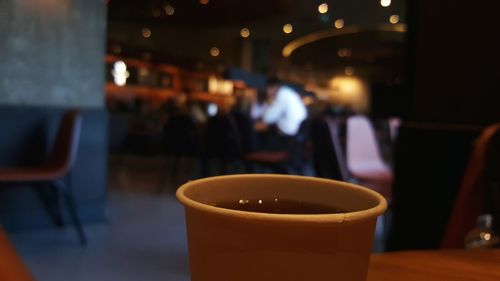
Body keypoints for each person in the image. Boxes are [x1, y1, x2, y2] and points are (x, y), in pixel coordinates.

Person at [260, 78, 307, 150]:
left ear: (273, 87)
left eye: (268, 89)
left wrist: (269, 102)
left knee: (261, 138)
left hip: (290, 138)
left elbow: (267, 118)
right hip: (298, 135)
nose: (267, 92)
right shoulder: (287, 93)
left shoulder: (282, 95)